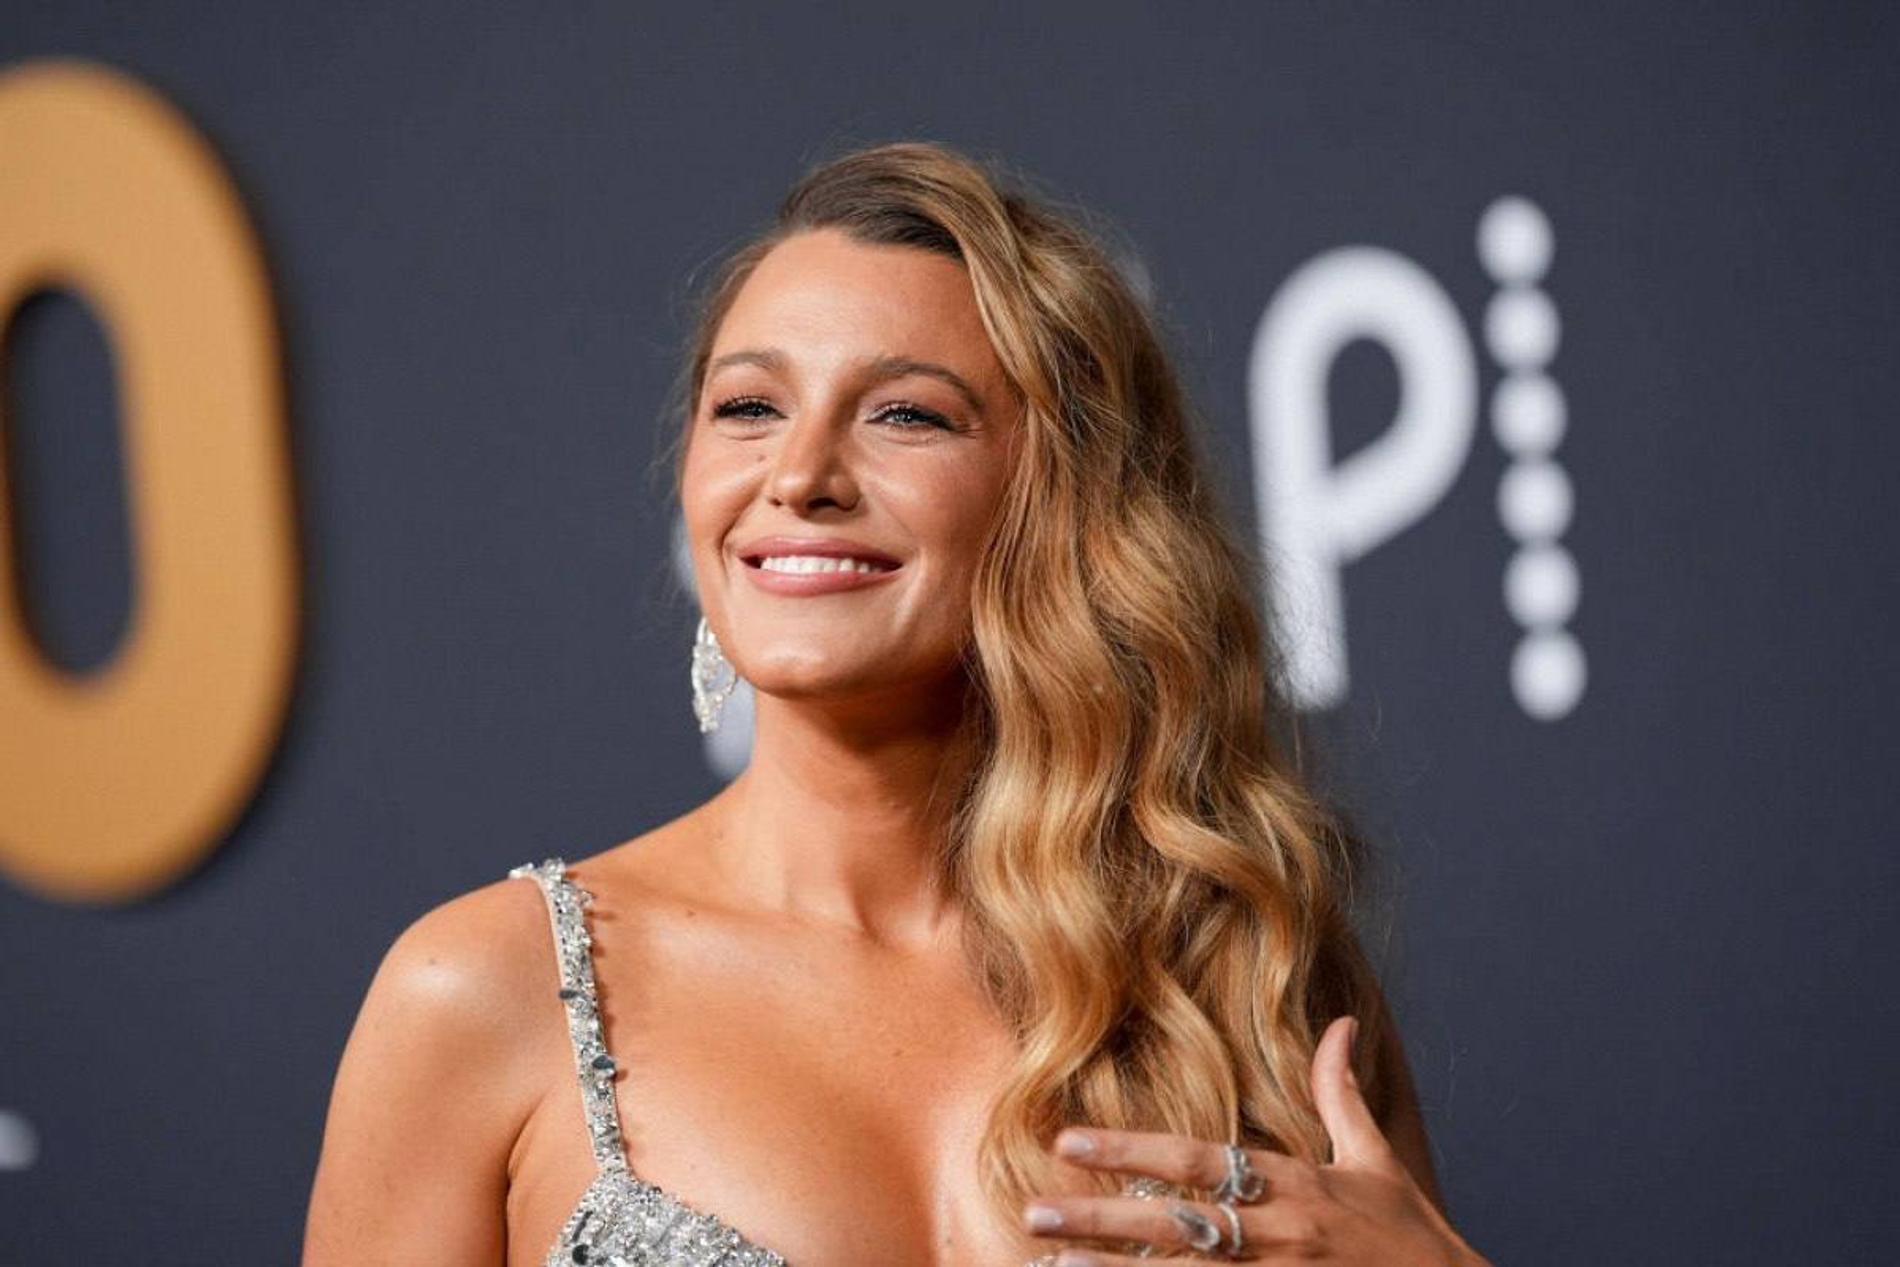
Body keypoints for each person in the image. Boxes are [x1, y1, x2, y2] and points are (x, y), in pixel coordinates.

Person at [303, 140, 1492, 1266]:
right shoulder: (483, 992)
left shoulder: (1248, 966)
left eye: (906, 414)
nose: (800, 475)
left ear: (1063, 498)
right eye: (749, 406)